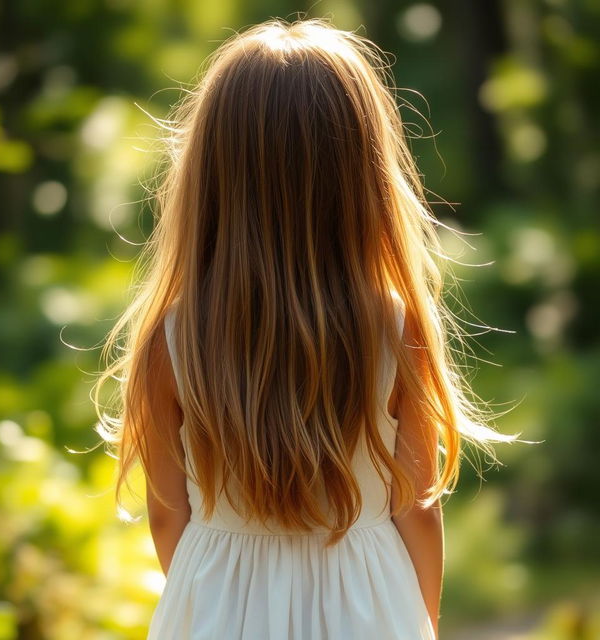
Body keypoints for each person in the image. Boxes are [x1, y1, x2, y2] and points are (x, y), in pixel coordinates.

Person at [93, 17, 522, 640]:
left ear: (211, 175)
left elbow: (167, 516)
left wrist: (211, 595)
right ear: (363, 175)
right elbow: (418, 512)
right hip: (368, 606)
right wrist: (420, 619)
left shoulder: (171, 337)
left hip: (220, 607)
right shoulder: (396, 326)